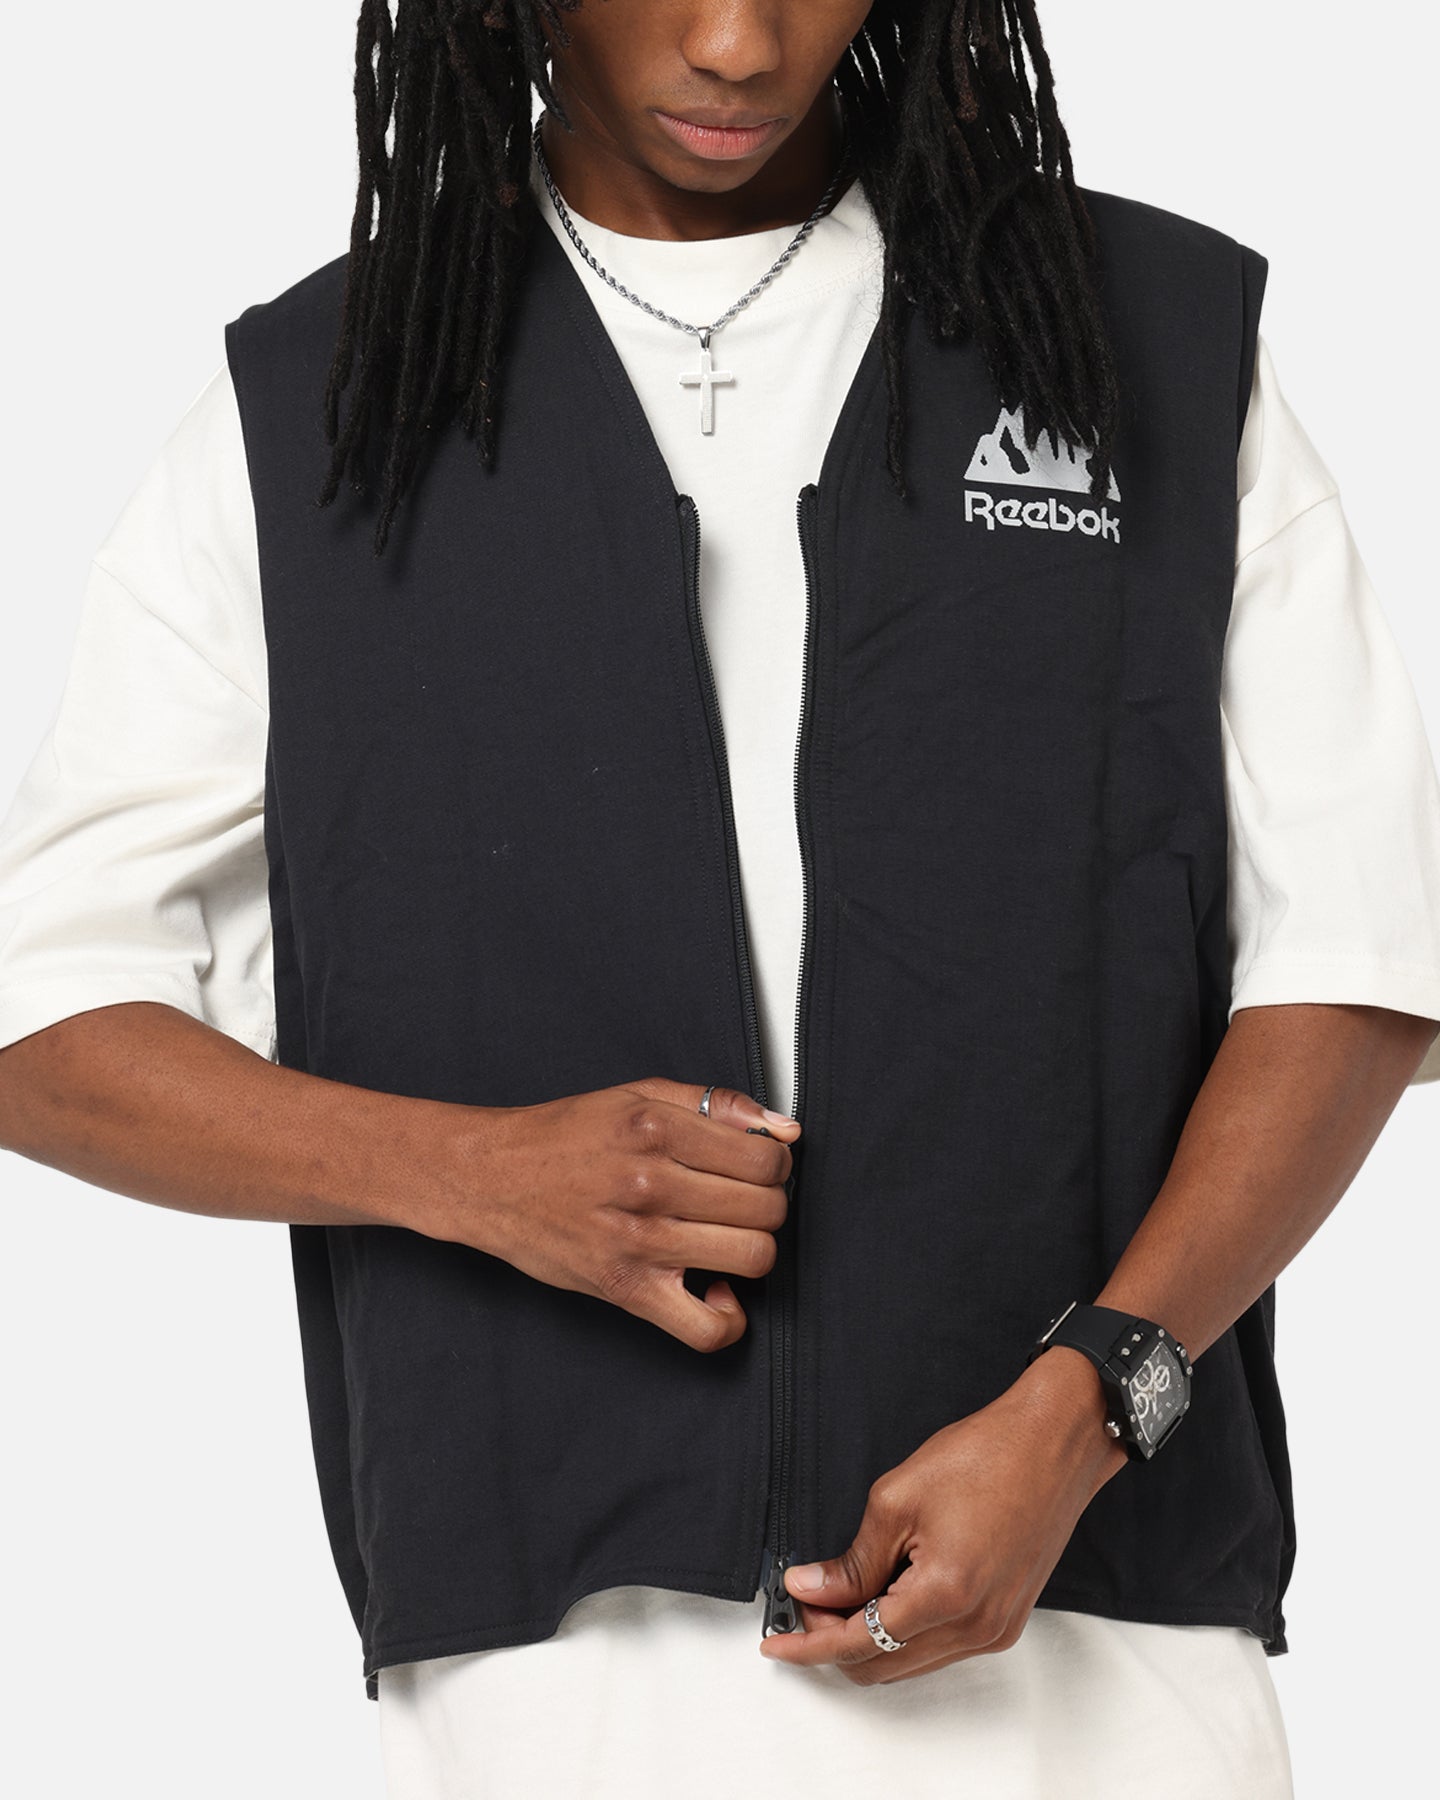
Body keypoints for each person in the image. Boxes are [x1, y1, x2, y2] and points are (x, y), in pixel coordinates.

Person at [2, 3, 1438, 1796]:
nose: (741, 43)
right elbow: (47, 1024)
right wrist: (477, 1175)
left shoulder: (1146, 337)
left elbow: (1358, 963)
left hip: (1109, 1675)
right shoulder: (318, 405)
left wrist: (1088, 1408)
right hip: (552, 1703)